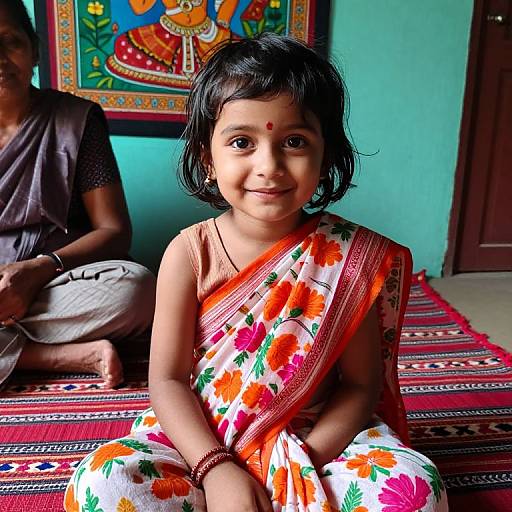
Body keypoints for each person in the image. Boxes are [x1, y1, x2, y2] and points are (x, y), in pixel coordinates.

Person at [66, 34, 448, 511]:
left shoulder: (347, 258)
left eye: (294, 141)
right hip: (200, 440)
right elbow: (166, 381)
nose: (269, 166)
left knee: (415, 489)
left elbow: (358, 386)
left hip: (313, 436)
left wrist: (299, 464)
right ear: (208, 157)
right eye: (242, 142)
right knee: (103, 484)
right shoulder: (189, 253)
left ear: (325, 155)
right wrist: (216, 467)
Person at [0, 0, 156, 389]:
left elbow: (115, 231)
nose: (0, 59)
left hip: (55, 281)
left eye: (10, 42)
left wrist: (39, 268)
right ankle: (51, 357)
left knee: (138, 290)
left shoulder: (74, 120)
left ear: (34, 49)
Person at [106, 0, 242, 89]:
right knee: (125, 44)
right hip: (165, 34)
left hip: (207, 34)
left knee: (242, 52)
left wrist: (222, 26)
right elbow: (139, 8)